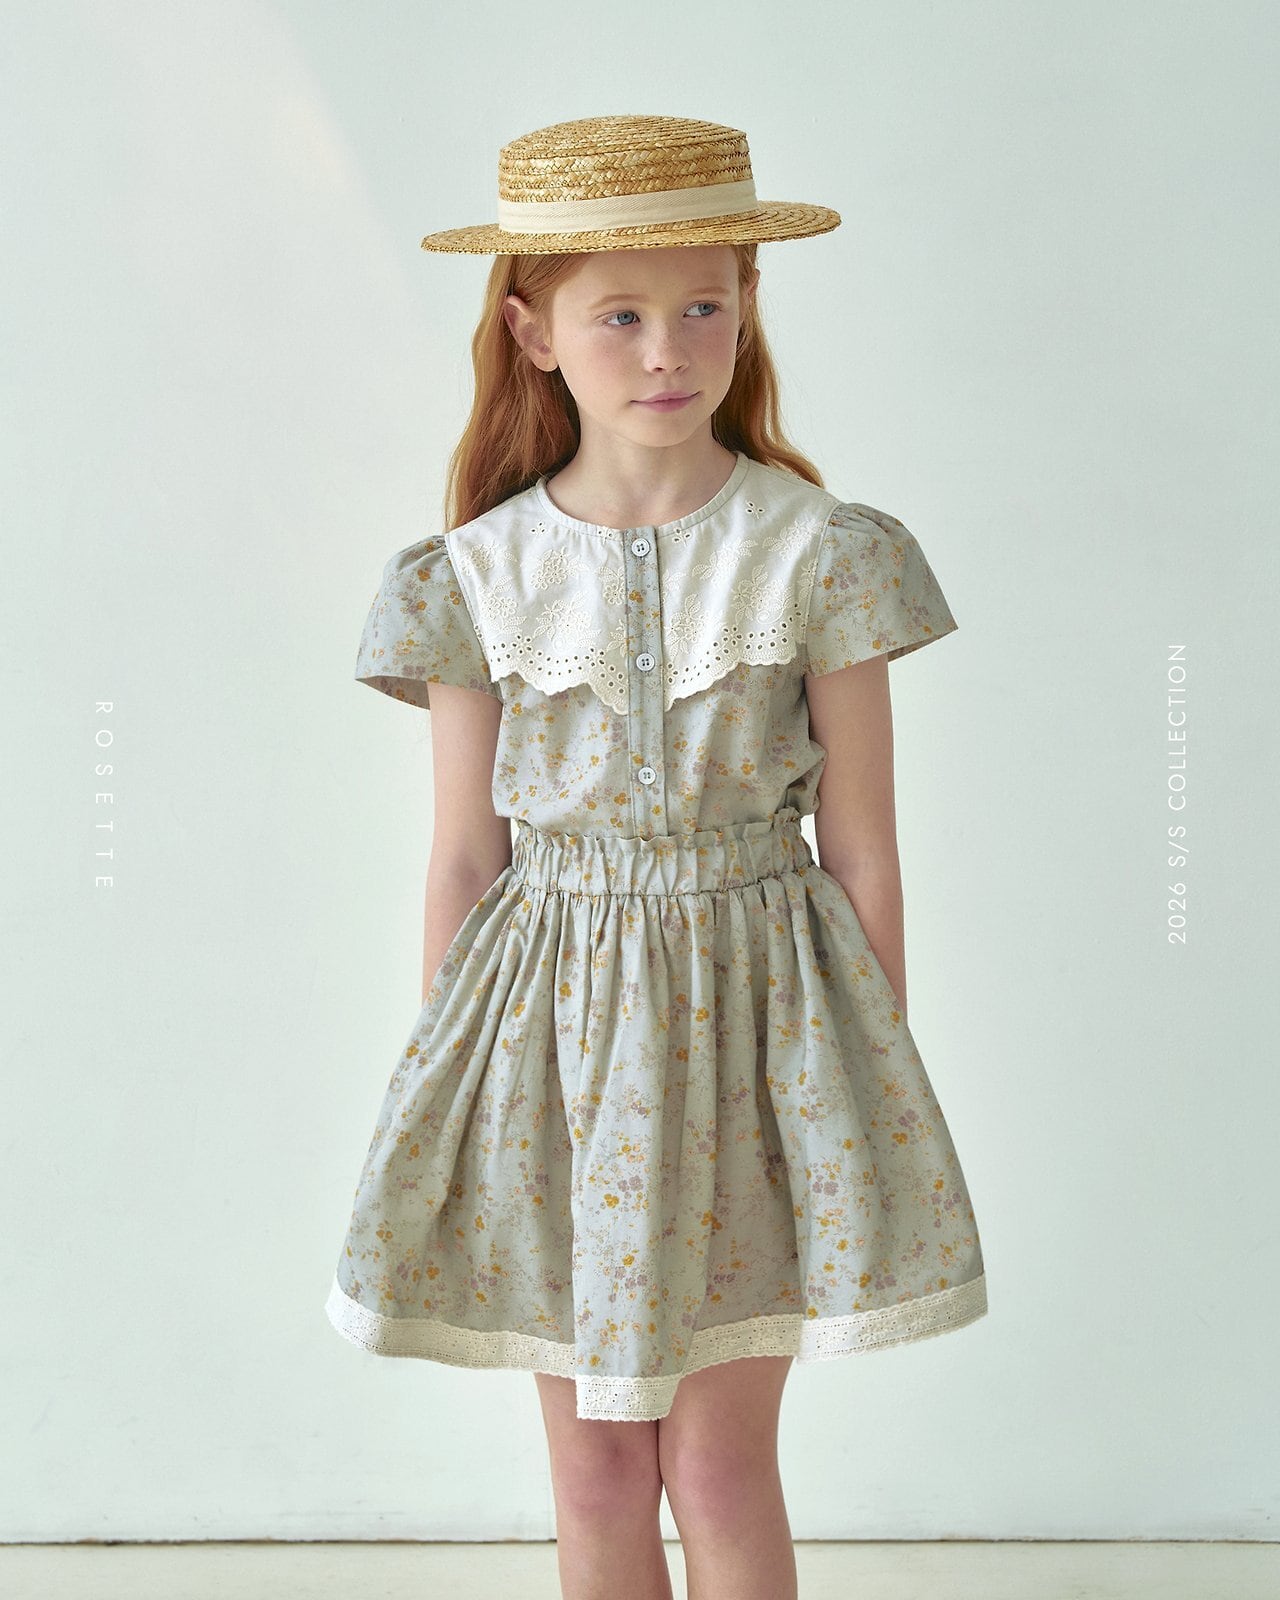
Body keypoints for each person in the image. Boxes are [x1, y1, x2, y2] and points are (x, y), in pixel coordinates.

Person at [325, 113, 988, 1600]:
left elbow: (864, 846)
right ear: (532, 333)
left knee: (718, 1463)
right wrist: (452, 1088)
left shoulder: (821, 550)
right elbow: (463, 858)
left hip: (763, 1023)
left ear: (748, 303)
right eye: (618, 314)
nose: (669, 347)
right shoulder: (472, 574)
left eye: (703, 303)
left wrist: (866, 1073)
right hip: (549, 1043)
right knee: (597, 1470)